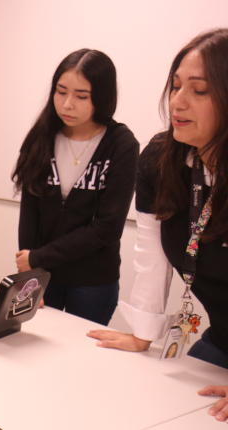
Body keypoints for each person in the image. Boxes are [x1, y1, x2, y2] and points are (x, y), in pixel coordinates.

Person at [87, 28, 228, 423]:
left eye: (200, 91)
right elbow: (151, 254)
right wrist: (142, 333)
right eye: (176, 85)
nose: (178, 102)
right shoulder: (160, 160)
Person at [12, 49, 139, 326]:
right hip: (43, 275)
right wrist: (30, 273)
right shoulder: (42, 136)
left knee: (82, 361)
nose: (67, 104)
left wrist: (39, 257)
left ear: (102, 97)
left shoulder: (121, 145)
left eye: (81, 96)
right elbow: (30, 213)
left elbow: (107, 227)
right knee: (34, 352)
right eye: (61, 92)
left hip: (93, 281)